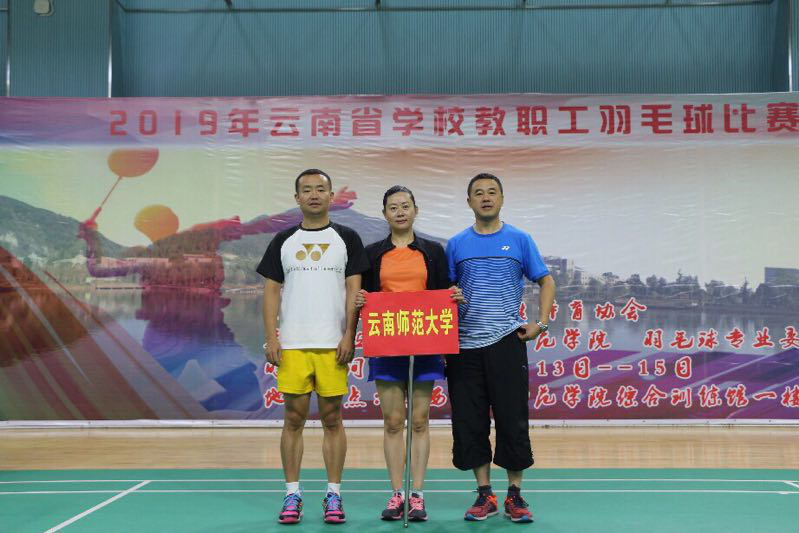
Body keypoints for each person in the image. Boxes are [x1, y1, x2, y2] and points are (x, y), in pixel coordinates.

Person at [256, 169, 368, 525]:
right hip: (293, 345)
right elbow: (271, 292)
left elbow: (354, 291)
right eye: (307, 190)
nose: (314, 194)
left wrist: (349, 334)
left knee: (333, 419)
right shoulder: (283, 240)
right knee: (293, 419)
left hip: (332, 345)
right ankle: (292, 494)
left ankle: (334, 494)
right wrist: (273, 337)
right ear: (297, 198)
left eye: (321, 189)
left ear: (332, 196)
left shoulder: (347, 238)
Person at [445, 173, 556, 523]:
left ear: (502, 199)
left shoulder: (519, 239)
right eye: (478, 193)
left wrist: (541, 323)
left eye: (492, 192)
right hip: (464, 348)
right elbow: (445, 292)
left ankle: (514, 495)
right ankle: (484, 494)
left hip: (507, 343)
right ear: (469, 202)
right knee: (470, 422)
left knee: (512, 420)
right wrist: (451, 296)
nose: (486, 197)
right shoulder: (456, 244)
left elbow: (546, 281)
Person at [355, 185, 463, 522]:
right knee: (392, 422)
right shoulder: (372, 254)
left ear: (416, 210)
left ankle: (417, 494)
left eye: (405, 206)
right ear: (384, 214)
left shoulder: (432, 251)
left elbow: (443, 292)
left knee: (418, 421)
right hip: (387, 343)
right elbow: (365, 295)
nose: (400, 212)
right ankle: (396, 494)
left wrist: (453, 297)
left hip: (425, 343)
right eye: (393, 207)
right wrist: (360, 299)